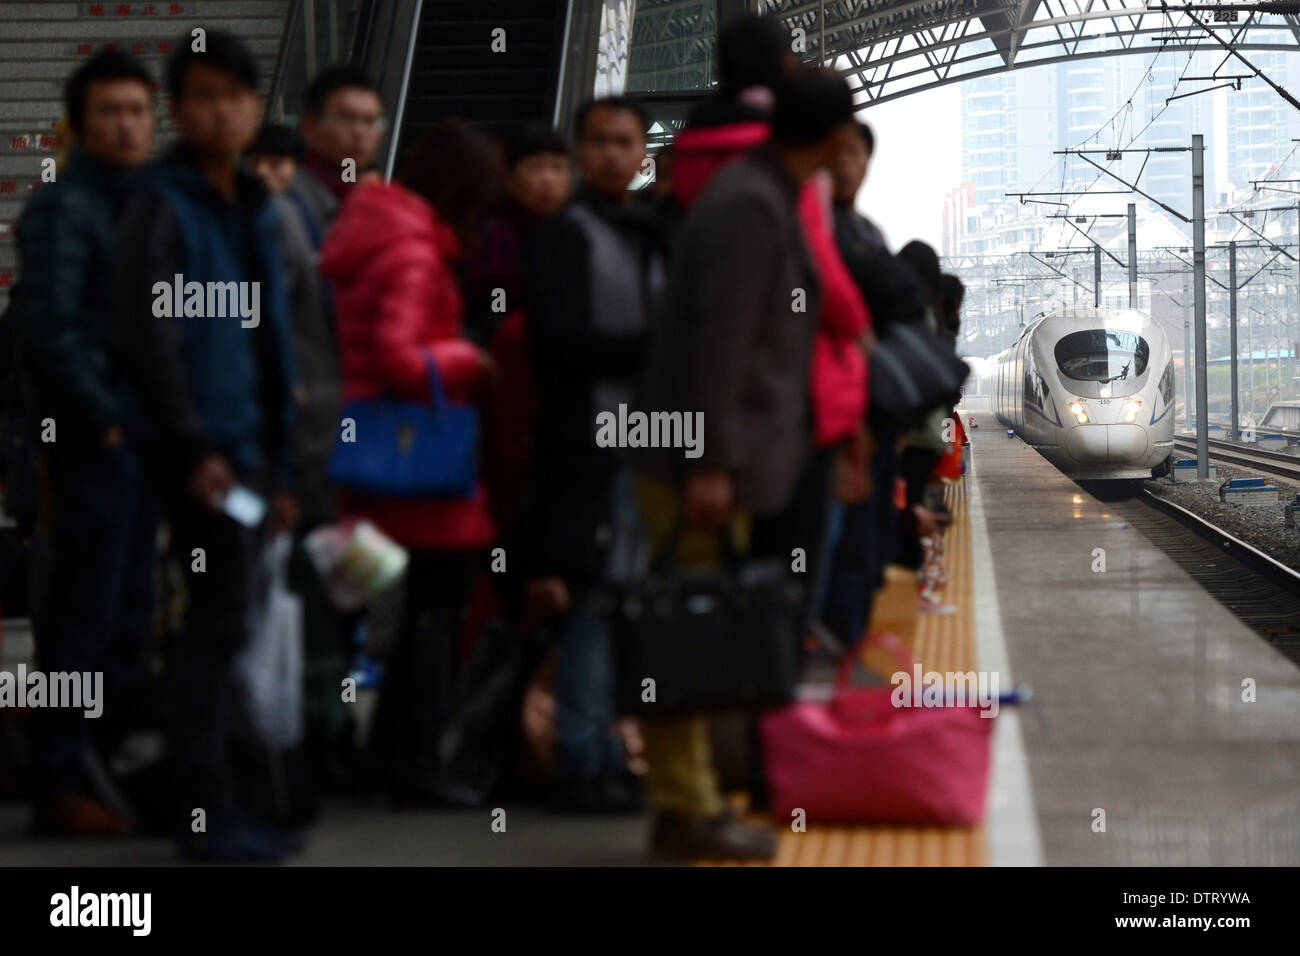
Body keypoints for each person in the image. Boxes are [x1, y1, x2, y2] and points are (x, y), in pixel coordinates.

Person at [635, 66, 861, 860]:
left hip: (708, 451)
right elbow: (717, 346)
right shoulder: (752, 207)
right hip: (693, 458)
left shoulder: (760, 192)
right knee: (685, 627)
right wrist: (706, 463)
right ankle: (686, 806)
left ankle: (693, 799)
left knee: (695, 623)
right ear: (834, 137)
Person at [113, 31, 299, 861]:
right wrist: (194, 445)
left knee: (233, 617)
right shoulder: (162, 202)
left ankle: (237, 797)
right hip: (201, 454)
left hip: (251, 450)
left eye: (235, 94)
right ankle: (206, 810)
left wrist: (282, 461)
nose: (221, 110)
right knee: (212, 624)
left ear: (256, 106)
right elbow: (150, 336)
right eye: (202, 95)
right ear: (177, 110)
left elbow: (273, 341)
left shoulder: (255, 202)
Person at [318, 118, 502, 808]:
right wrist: (470, 359)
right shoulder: (416, 254)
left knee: (360, 601)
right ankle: (411, 760)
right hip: (419, 466)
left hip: (372, 458)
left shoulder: (377, 232)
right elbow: (400, 357)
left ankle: (372, 755)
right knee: (435, 612)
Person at [15, 50, 157, 837]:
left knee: (127, 609)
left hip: (139, 435)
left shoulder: (144, 202)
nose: (128, 124)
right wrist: (104, 414)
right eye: (109, 111)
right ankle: (62, 775)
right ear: (80, 122)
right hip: (96, 439)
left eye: (139, 109)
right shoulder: (66, 208)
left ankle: (100, 765)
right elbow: (54, 334)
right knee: (83, 612)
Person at [521, 97, 665, 813]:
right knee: (590, 604)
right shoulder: (564, 234)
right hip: (585, 445)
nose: (613, 154)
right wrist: (652, 352)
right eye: (599, 142)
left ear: (643, 153)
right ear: (583, 151)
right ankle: (581, 759)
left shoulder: (645, 233)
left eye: (625, 143)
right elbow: (557, 342)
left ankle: (606, 750)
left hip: (644, 450)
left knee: (622, 603)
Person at [291, 66, 385, 241]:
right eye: (346, 118)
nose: (360, 132)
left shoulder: (381, 199)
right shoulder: (284, 202)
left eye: (370, 121)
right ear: (310, 126)